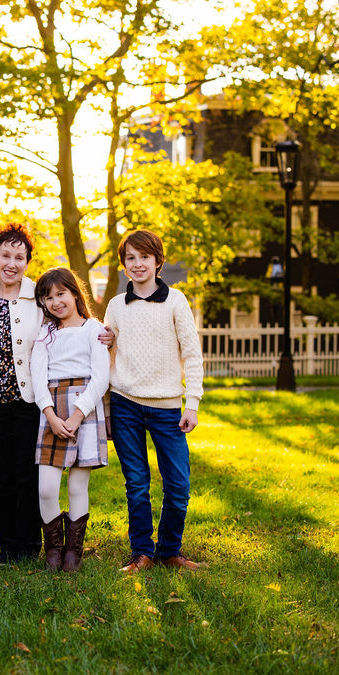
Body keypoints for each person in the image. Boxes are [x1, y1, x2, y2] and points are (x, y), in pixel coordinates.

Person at [103, 229, 204, 575]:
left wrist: (192, 403)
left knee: (178, 485)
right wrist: (107, 407)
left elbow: (192, 354)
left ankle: (170, 551)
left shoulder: (176, 301)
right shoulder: (116, 306)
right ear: (123, 264)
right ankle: (141, 553)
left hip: (167, 408)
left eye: (144, 256)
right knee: (136, 484)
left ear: (158, 261)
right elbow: (107, 355)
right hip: (125, 404)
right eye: (130, 258)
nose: (138, 264)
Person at [0, 223, 45, 566]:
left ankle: (30, 545)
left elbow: (69, 321)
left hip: (29, 402)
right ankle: (7, 546)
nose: (12, 263)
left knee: (27, 475)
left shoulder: (39, 296)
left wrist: (100, 333)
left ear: (28, 261)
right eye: (6, 255)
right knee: (1, 477)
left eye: (19, 257)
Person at [29, 267, 110, 573]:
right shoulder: (45, 334)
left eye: (61, 294)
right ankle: (53, 548)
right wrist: (50, 415)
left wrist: (77, 415)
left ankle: (73, 551)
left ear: (75, 294)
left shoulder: (93, 330)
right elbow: (38, 378)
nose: (56, 302)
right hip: (52, 410)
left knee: (77, 487)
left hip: (84, 410)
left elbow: (101, 378)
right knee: (47, 489)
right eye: (48, 297)